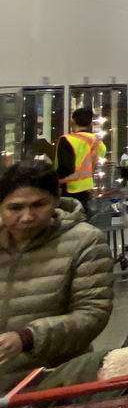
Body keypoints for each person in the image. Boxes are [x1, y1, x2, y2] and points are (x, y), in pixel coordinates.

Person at [0, 162, 113, 390]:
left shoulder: (86, 241)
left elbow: (92, 313)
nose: (27, 217)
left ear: (56, 200)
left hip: (54, 383)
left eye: (38, 205)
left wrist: (28, 338)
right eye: (15, 208)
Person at [56, 108, 107, 214]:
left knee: (70, 217)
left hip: (68, 187)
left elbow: (65, 167)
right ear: (90, 123)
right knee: (84, 215)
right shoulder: (97, 141)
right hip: (87, 187)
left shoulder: (66, 139)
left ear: (72, 121)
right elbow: (100, 155)